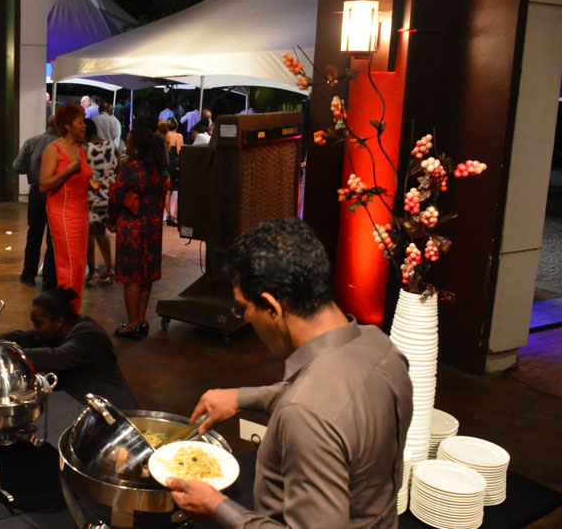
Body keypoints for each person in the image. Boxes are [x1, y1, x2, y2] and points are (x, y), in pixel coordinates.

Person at [167, 218, 413, 529]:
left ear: (272, 307)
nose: (246, 318)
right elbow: (338, 404)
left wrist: (218, 507)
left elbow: (314, 410)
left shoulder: (305, 415)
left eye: (244, 308)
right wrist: (243, 397)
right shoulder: (382, 347)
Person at [0, 286, 138, 409]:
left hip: (119, 415)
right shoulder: (58, 332)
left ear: (59, 322)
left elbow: (57, 357)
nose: (35, 329)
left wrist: (12, 355)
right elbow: (24, 337)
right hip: (92, 409)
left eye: (38, 324)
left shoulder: (88, 334)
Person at [107, 124, 169, 338]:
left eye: (129, 142)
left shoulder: (130, 167)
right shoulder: (157, 166)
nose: (127, 145)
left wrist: (111, 219)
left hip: (132, 224)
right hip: (153, 223)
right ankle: (141, 321)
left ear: (136, 146)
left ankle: (132, 324)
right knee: (146, 275)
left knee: (132, 276)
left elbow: (117, 195)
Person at [40, 103, 92, 311]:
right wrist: (69, 170)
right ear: (68, 126)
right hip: (63, 212)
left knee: (79, 265)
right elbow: (44, 185)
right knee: (68, 265)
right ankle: (67, 314)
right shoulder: (53, 149)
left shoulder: (81, 150)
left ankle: (74, 310)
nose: (84, 125)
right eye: (80, 122)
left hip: (81, 213)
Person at [13, 119, 58, 290]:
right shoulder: (63, 145)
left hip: (36, 192)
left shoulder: (31, 141)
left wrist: (33, 168)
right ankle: (49, 279)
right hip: (56, 193)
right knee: (53, 238)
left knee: (34, 234)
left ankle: (28, 275)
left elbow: (18, 166)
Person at [84, 118, 118, 286]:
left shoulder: (85, 148)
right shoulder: (111, 145)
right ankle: (109, 269)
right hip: (107, 194)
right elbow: (118, 168)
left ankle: (93, 272)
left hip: (91, 193)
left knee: (89, 234)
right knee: (102, 232)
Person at [160, 119, 183, 227]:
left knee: (167, 191)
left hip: (165, 163)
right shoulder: (178, 136)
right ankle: (175, 216)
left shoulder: (163, 136)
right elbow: (179, 151)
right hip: (175, 164)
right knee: (178, 190)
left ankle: (168, 216)